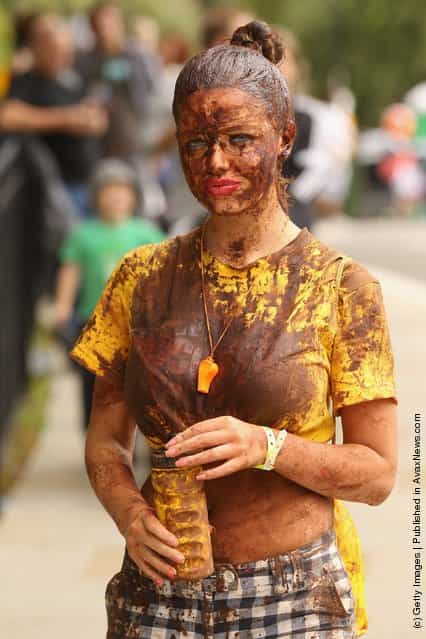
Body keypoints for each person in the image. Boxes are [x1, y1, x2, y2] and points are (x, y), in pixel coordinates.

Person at [70, 21, 398, 638]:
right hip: (157, 593)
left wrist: (267, 447)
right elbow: (107, 442)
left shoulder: (340, 287)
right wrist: (128, 516)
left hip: (292, 597)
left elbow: (378, 473)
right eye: (195, 143)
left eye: (240, 139)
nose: (216, 161)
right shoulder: (140, 277)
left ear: (285, 138)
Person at [55, 158, 165, 428]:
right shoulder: (83, 234)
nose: (115, 197)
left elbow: (161, 273)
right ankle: (95, 432)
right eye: (108, 191)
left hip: (136, 324)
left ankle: (135, 434)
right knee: (93, 383)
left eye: (121, 190)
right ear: (95, 197)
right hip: (93, 322)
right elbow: (71, 270)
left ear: (133, 196)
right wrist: (62, 305)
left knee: (136, 383)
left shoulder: (145, 232)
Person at [0, 16, 107, 217]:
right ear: (38, 49)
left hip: (87, 180)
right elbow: (8, 116)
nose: (63, 57)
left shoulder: (73, 80)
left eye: (67, 51)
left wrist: (92, 120)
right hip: (54, 185)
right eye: (56, 50)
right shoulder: (26, 80)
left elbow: (97, 117)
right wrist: (66, 119)